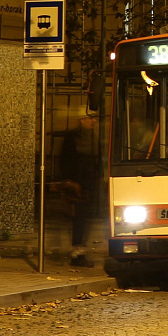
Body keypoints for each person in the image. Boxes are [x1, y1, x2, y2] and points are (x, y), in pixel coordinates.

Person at [59, 114, 98, 267]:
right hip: (78, 185)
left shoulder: (91, 137)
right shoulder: (74, 137)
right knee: (79, 220)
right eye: (89, 118)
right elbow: (67, 160)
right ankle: (77, 255)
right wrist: (71, 181)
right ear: (82, 120)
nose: (93, 121)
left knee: (84, 220)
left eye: (94, 118)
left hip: (87, 184)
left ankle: (79, 252)